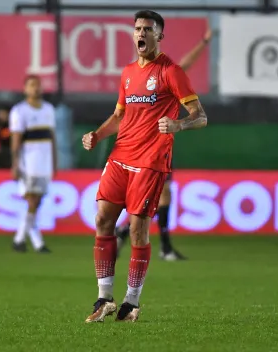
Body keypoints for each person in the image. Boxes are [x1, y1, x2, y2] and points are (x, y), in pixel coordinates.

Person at [82, 10, 207, 322]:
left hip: (150, 161)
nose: (141, 33)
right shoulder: (126, 73)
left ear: (159, 36)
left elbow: (200, 116)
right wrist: (98, 134)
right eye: (137, 28)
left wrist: (178, 126)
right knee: (102, 221)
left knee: (138, 229)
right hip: (120, 156)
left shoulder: (171, 72)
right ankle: (104, 298)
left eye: (148, 29)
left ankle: (131, 302)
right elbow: (119, 115)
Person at [114, 24, 214, 261]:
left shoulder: (165, 73)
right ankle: (157, 244)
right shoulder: (136, 75)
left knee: (159, 196)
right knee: (156, 196)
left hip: (158, 144)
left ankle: (129, 234)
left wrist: (204, 43)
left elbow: (184, 66)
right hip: (143, 146)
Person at [9, 75, 57, 254]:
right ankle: (21, 239)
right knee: (32, 200)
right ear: (25, 89)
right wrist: (14, 164)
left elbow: (52, 137)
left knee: (37, 202)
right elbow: (15, 140)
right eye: (31, 85)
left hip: (44, 164)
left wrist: (55, 161)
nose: (35, 88)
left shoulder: (49, 109)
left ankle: (31, 242)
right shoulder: (19, 111)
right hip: (28, 164)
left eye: (37, 85)